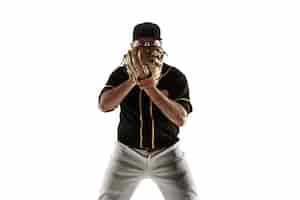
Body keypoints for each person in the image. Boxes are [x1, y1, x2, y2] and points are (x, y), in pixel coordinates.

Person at [97, 22, 199, 200]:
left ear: (160, 45)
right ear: (132, 47)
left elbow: (180, 118)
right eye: (141, 44)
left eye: (152, 43)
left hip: (167, 153)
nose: (147, 48)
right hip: (127, 153)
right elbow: (104, 105)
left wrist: (150, 87)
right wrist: (132, 80)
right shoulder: (121, 74)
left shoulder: (175, 76)